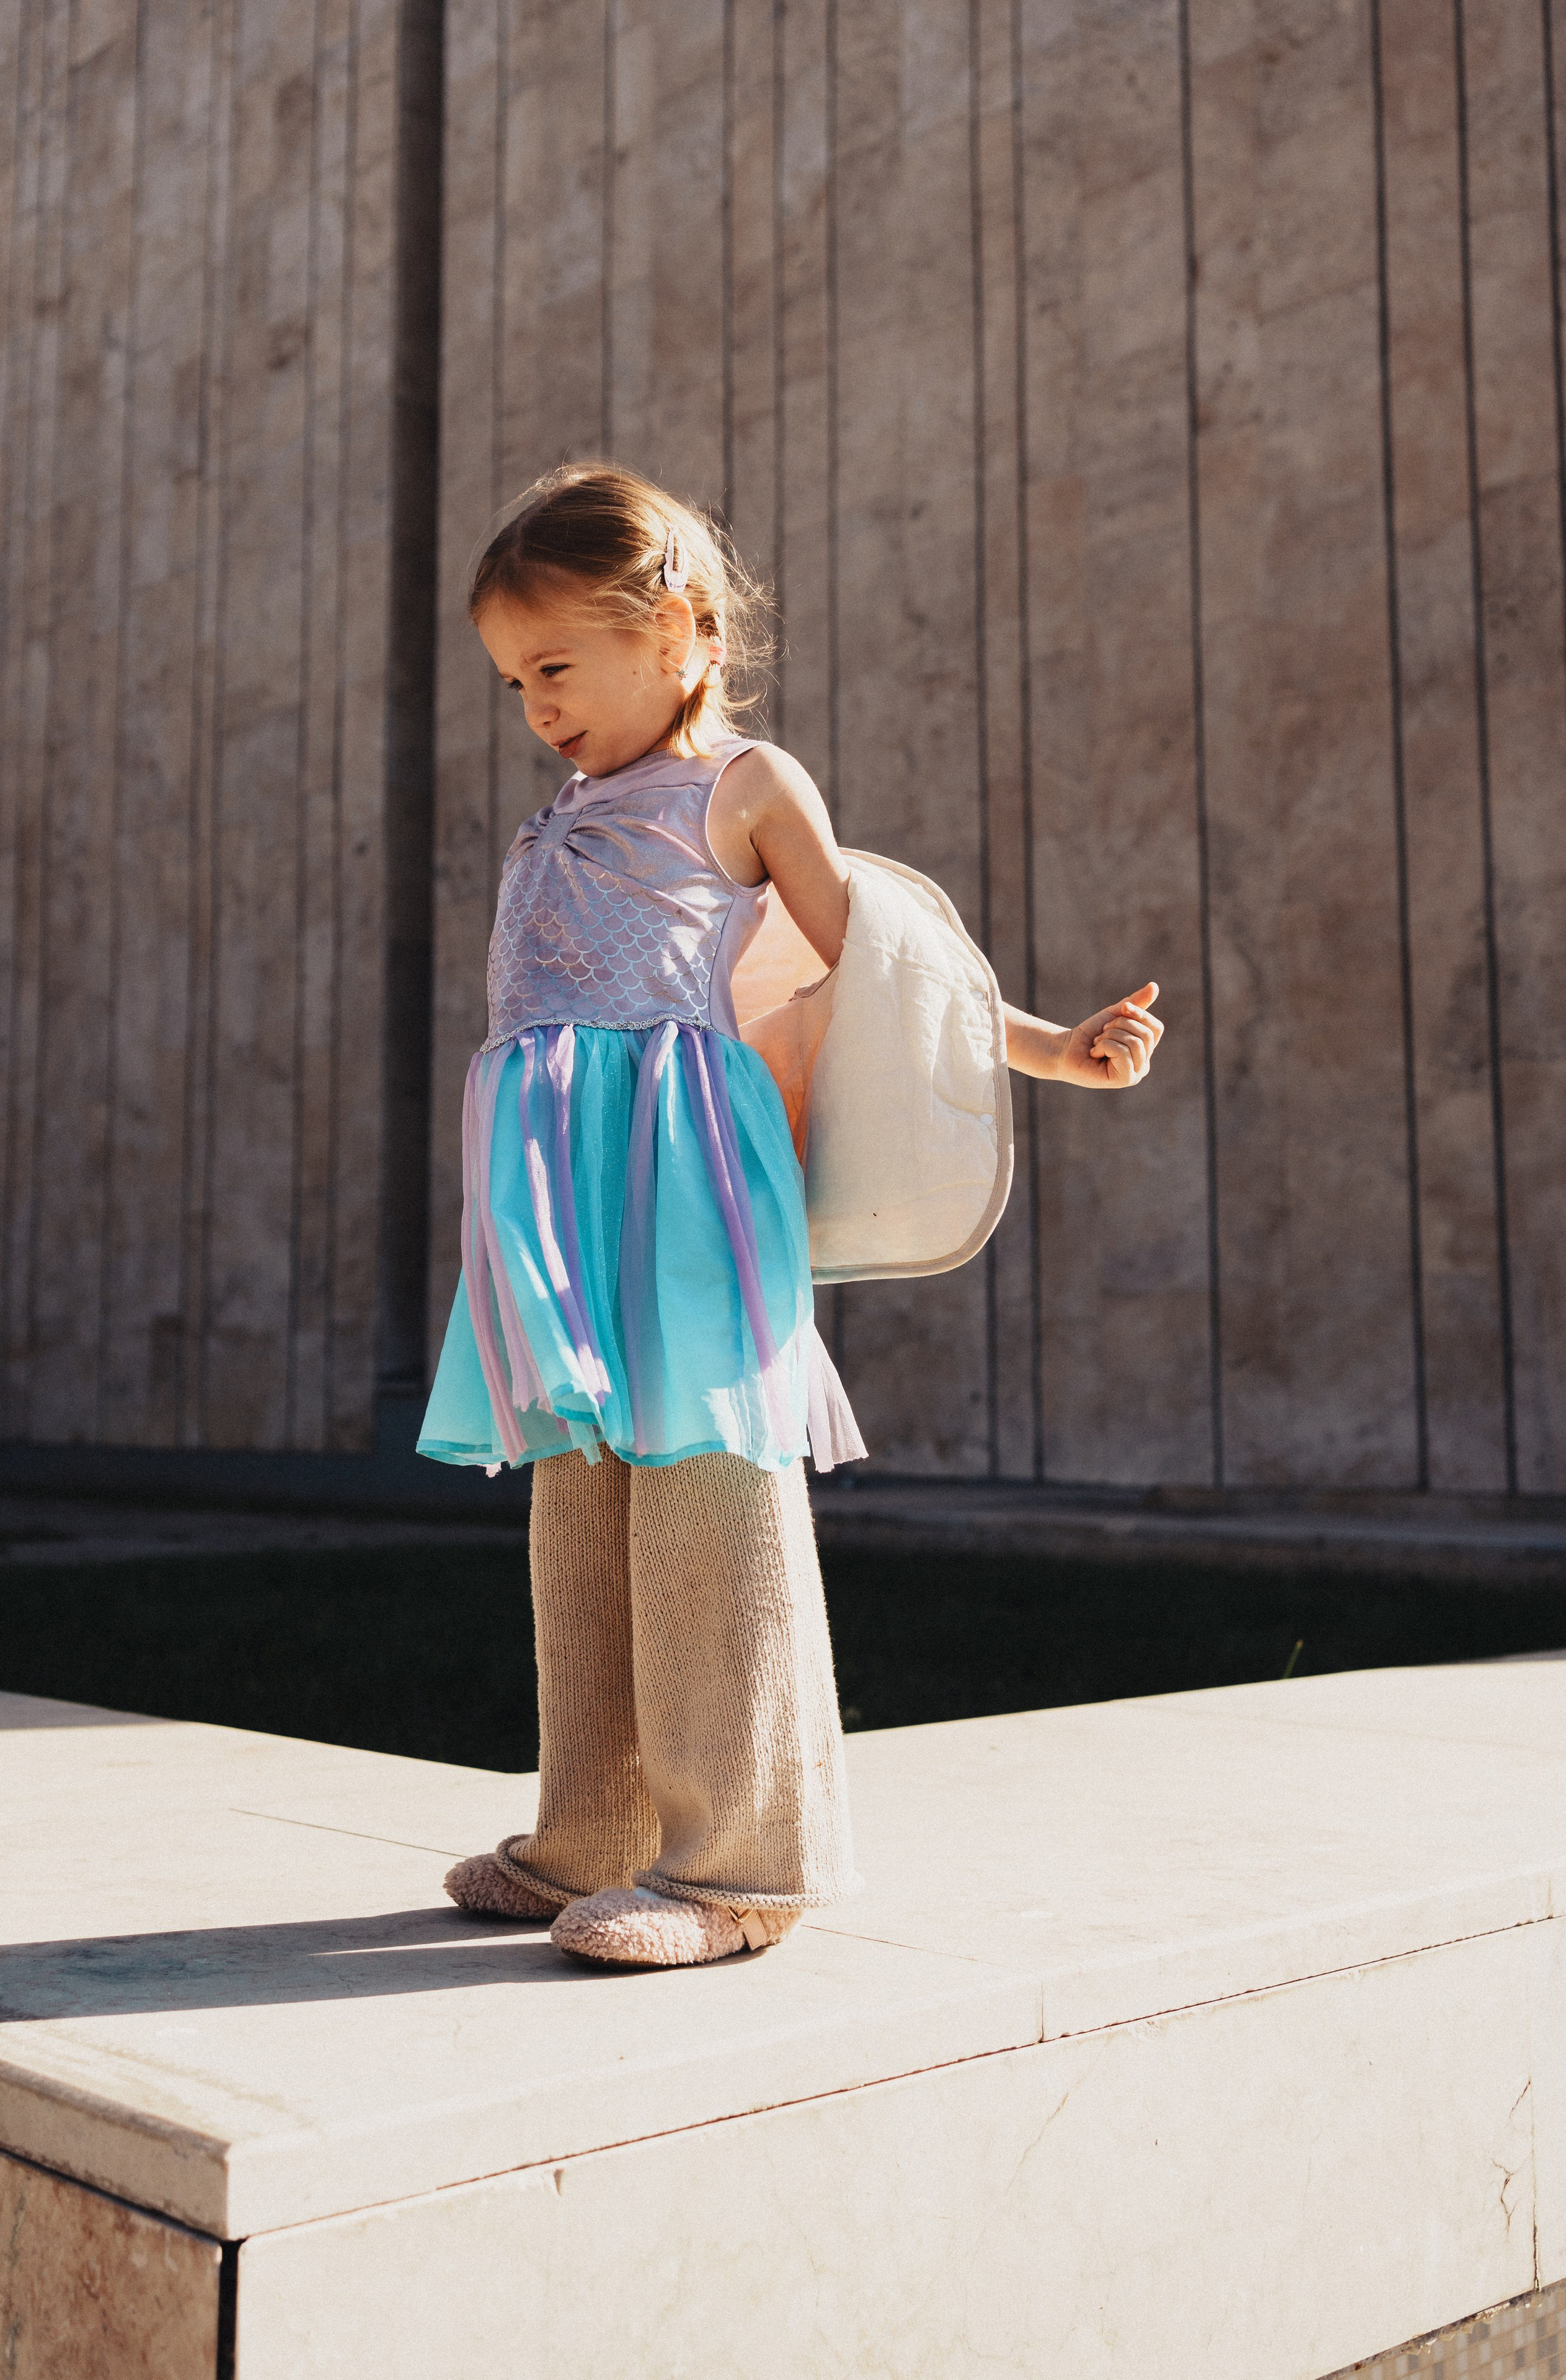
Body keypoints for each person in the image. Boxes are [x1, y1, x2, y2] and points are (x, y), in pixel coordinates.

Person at [420, 462, 1163, 1970]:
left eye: (555, 666)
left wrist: (1055, 1049)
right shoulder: (568, 804)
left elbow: (884, 967)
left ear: (679, 628)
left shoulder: (743, 788)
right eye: (512, 680)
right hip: (564, 1194)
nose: (534, 707)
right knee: (586, 1495)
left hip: (684, 1180)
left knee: (703, 1483)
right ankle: (598, 1833)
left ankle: (740, 1863)